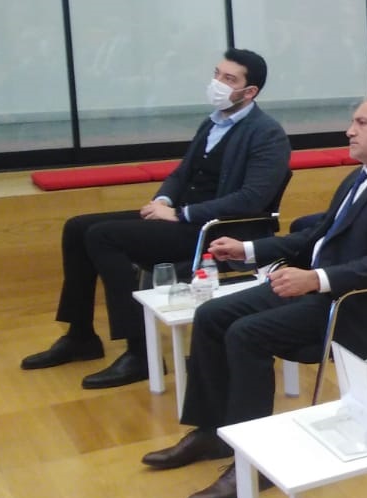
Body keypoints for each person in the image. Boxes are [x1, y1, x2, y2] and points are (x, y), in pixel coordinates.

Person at [139, 94, 367, 498]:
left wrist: (313, 279)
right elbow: (315, 237)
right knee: (211, 315)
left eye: (360, 123)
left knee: (246, 334)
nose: (349, 131)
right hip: (320, 289)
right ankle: (212, 431)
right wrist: (248, 249)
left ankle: (253, 460)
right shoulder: (361, 176)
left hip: (355, 306)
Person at [21, 49, 291, 390]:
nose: (217, 84)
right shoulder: (212, 122)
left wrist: (180, 213)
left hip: (218, 232)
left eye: (229, 79)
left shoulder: (267, 133)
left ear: (249, 92)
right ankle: (81, 336)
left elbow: (251, 199)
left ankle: (141, 353)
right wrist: (163, 200)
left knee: (103, 237)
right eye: (217, 74)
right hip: (182, 220)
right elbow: (181, 173)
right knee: (77, 227)